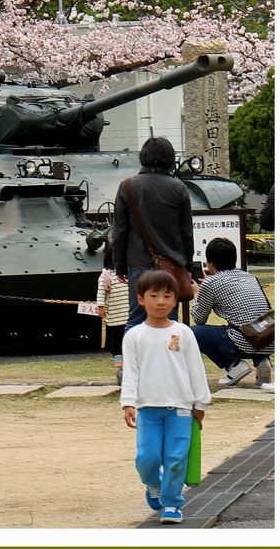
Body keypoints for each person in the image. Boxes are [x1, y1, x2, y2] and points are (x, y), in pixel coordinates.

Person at [121, 270, 211, 525]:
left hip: (181, 407)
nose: (161, 301)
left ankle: (171, 503)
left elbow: (196, 368)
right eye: (154, 295)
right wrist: (128, 402)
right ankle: (153, 485)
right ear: (141, 299)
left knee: (175, 458)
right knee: (146, 458)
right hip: (148, 409)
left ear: (175, 300)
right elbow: (131, 372)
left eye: (167, 296)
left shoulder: (184, 332)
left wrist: (200, 402)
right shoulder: (134, 336)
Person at [112, 136, 194, 330]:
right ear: (170, 159)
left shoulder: (127, 186)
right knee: (168, 320)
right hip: (171, 265)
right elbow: (186, 233)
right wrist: (188, 265)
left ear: (143, 157)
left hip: (138, 263)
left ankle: (134, 361)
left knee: (135, 320)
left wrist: (119, 265)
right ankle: (167, 359)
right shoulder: (179, 188)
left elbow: (120, 231)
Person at [190, 237, 273, 387]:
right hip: (269, 339)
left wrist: (196, 293)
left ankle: (233, 366)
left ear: (210, 263)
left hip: (243, 343)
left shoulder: (211, 282)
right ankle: (262, 361)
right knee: (251, 320)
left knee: (193, 332)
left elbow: (198, 318)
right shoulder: (250, 277)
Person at [96, 230, 129, 385]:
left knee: (129, 340)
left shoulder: (128, 275)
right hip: (115, 316)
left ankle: (128, 362)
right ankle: (119, 363)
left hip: (128, 315)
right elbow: (101, 292)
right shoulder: (106, 276)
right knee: (116, 342)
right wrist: (101, 307)